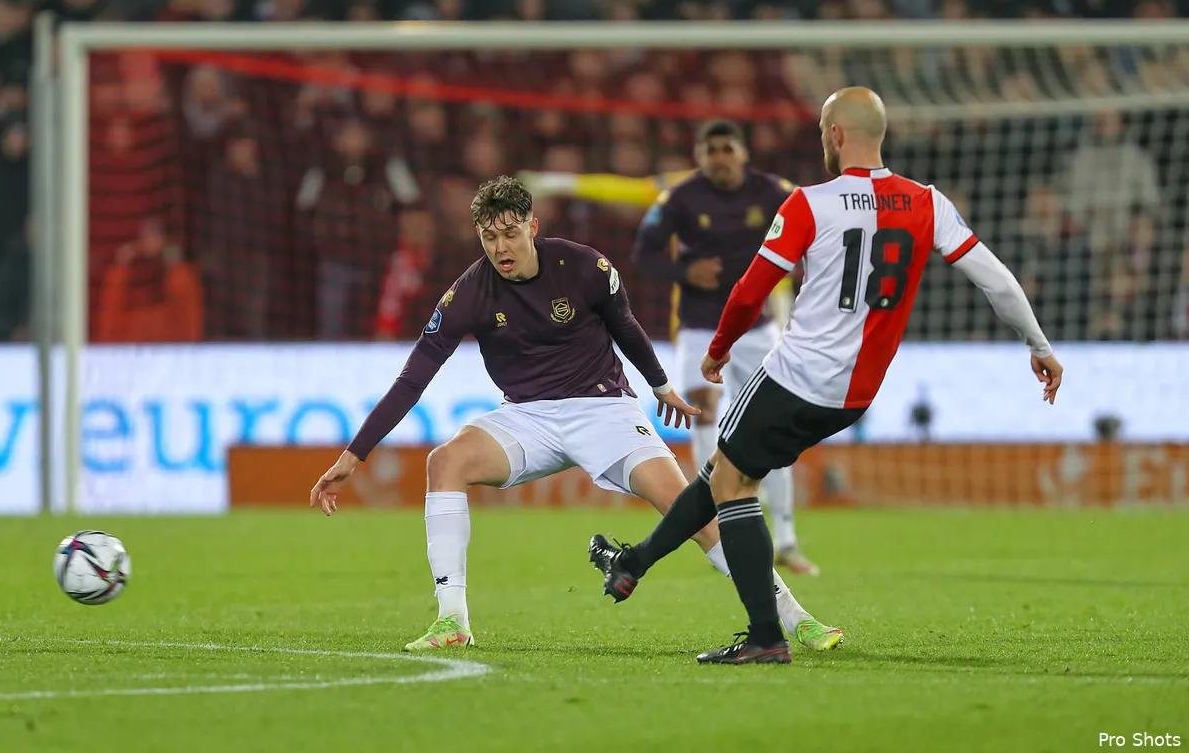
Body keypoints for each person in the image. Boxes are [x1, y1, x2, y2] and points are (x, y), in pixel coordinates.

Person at [590, 87, 1064, 665]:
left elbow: (750, 290)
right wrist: (1038, 345)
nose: (820, 138)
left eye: (822, 128)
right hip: (854, 395)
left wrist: (718, 350)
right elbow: (997, 282)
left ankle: (765, 637)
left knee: (732, 486)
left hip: (795, 376)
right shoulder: (928, 203)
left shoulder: (810, 203)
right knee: (726, 473)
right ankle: (633, 564)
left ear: (837, 135)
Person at [308, 175, 842, 652]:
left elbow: (626, 326)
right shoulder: (468, 292)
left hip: (604, 409)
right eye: (489, 237)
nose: (501, 247)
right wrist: (353, 455)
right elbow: (412, 379)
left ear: (533, 226)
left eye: (511, 233)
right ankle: (453, 621)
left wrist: (658, 385)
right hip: (527, 418)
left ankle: (795, 619)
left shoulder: (584, 267)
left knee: (691, 509)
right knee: (444, 462)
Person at [631, 119, 815, 575]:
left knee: (770, 426)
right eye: (710, 150)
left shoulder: (775, 192)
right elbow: (644, 254)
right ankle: (714, 523)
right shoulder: (680, 198)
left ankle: (787, 539)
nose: (719, 157)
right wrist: (684, 273)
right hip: (698, 326)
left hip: (757, 329)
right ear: (699, 155)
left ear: (742, 152)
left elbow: (815, 235)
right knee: (705, 412)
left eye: (726, 148)